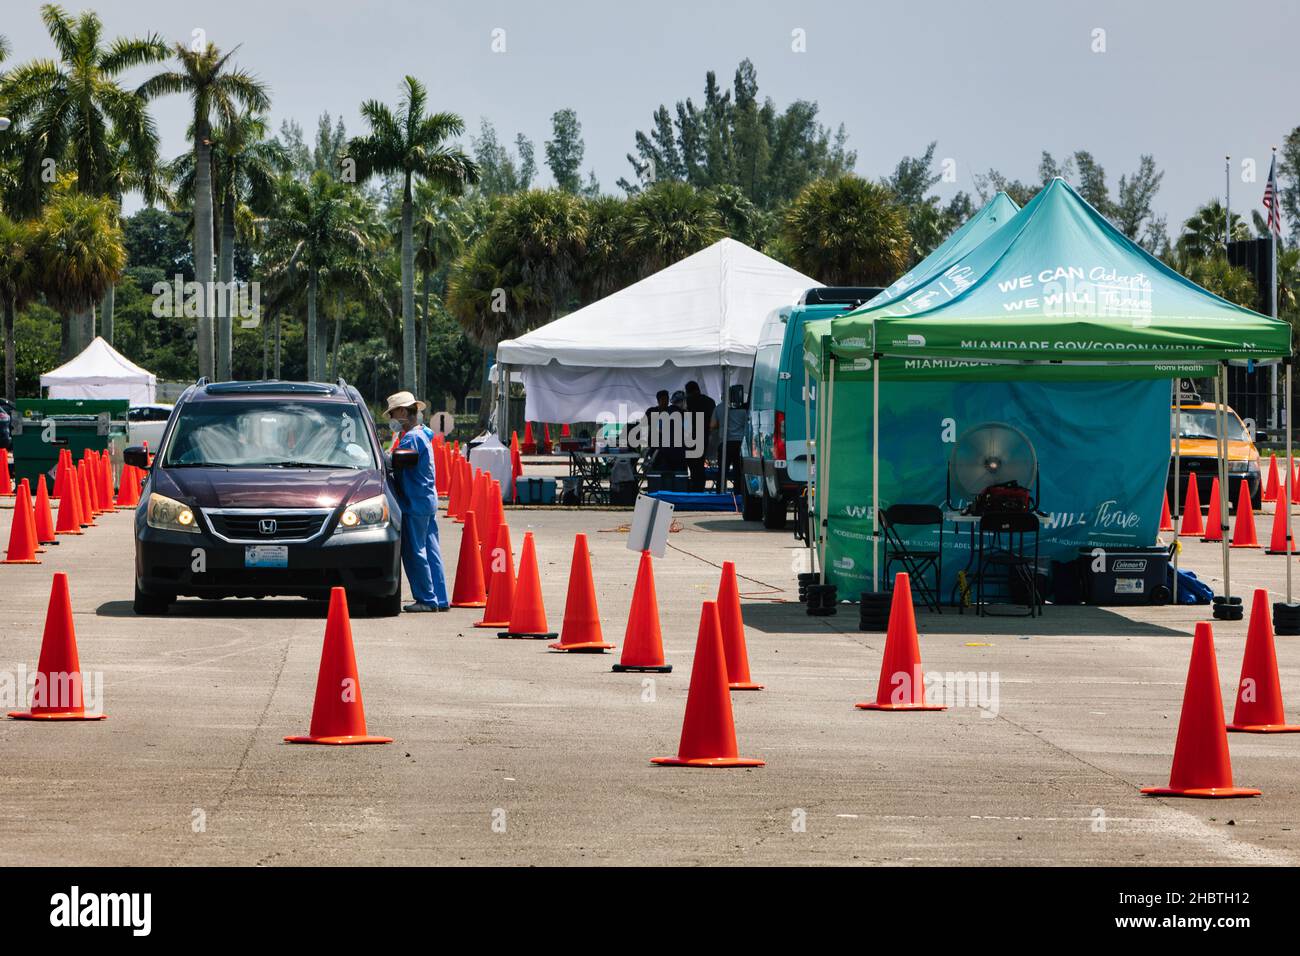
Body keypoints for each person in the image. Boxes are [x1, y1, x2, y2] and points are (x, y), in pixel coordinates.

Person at [386, 391, 448, 612]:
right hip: (425, 501)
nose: (392, 419)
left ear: (403, 411)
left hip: (414, 502)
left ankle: (425, 599)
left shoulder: (412, 438)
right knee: (431, 551)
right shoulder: (423, 434)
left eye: (393, 413)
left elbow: (395, 462)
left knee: (415, 552)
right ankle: (439, 597)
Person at [711, 383, 748, 495]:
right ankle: (738, 494)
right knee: (738, 471)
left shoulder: (719, 407)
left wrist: (722, 424)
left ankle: (720, 492)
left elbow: (712, 425)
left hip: (725, 443)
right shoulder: (743, 409)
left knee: (722, 471)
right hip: (739, 443)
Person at [683, 381, 716, 492]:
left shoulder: (687, 401)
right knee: (700, 464)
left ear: (688, 392)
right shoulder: (710, 402)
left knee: (692, 465)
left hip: (690, 437)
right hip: (705, 436)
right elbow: (713, 422)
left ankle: (694, 487)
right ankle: (699, 488)